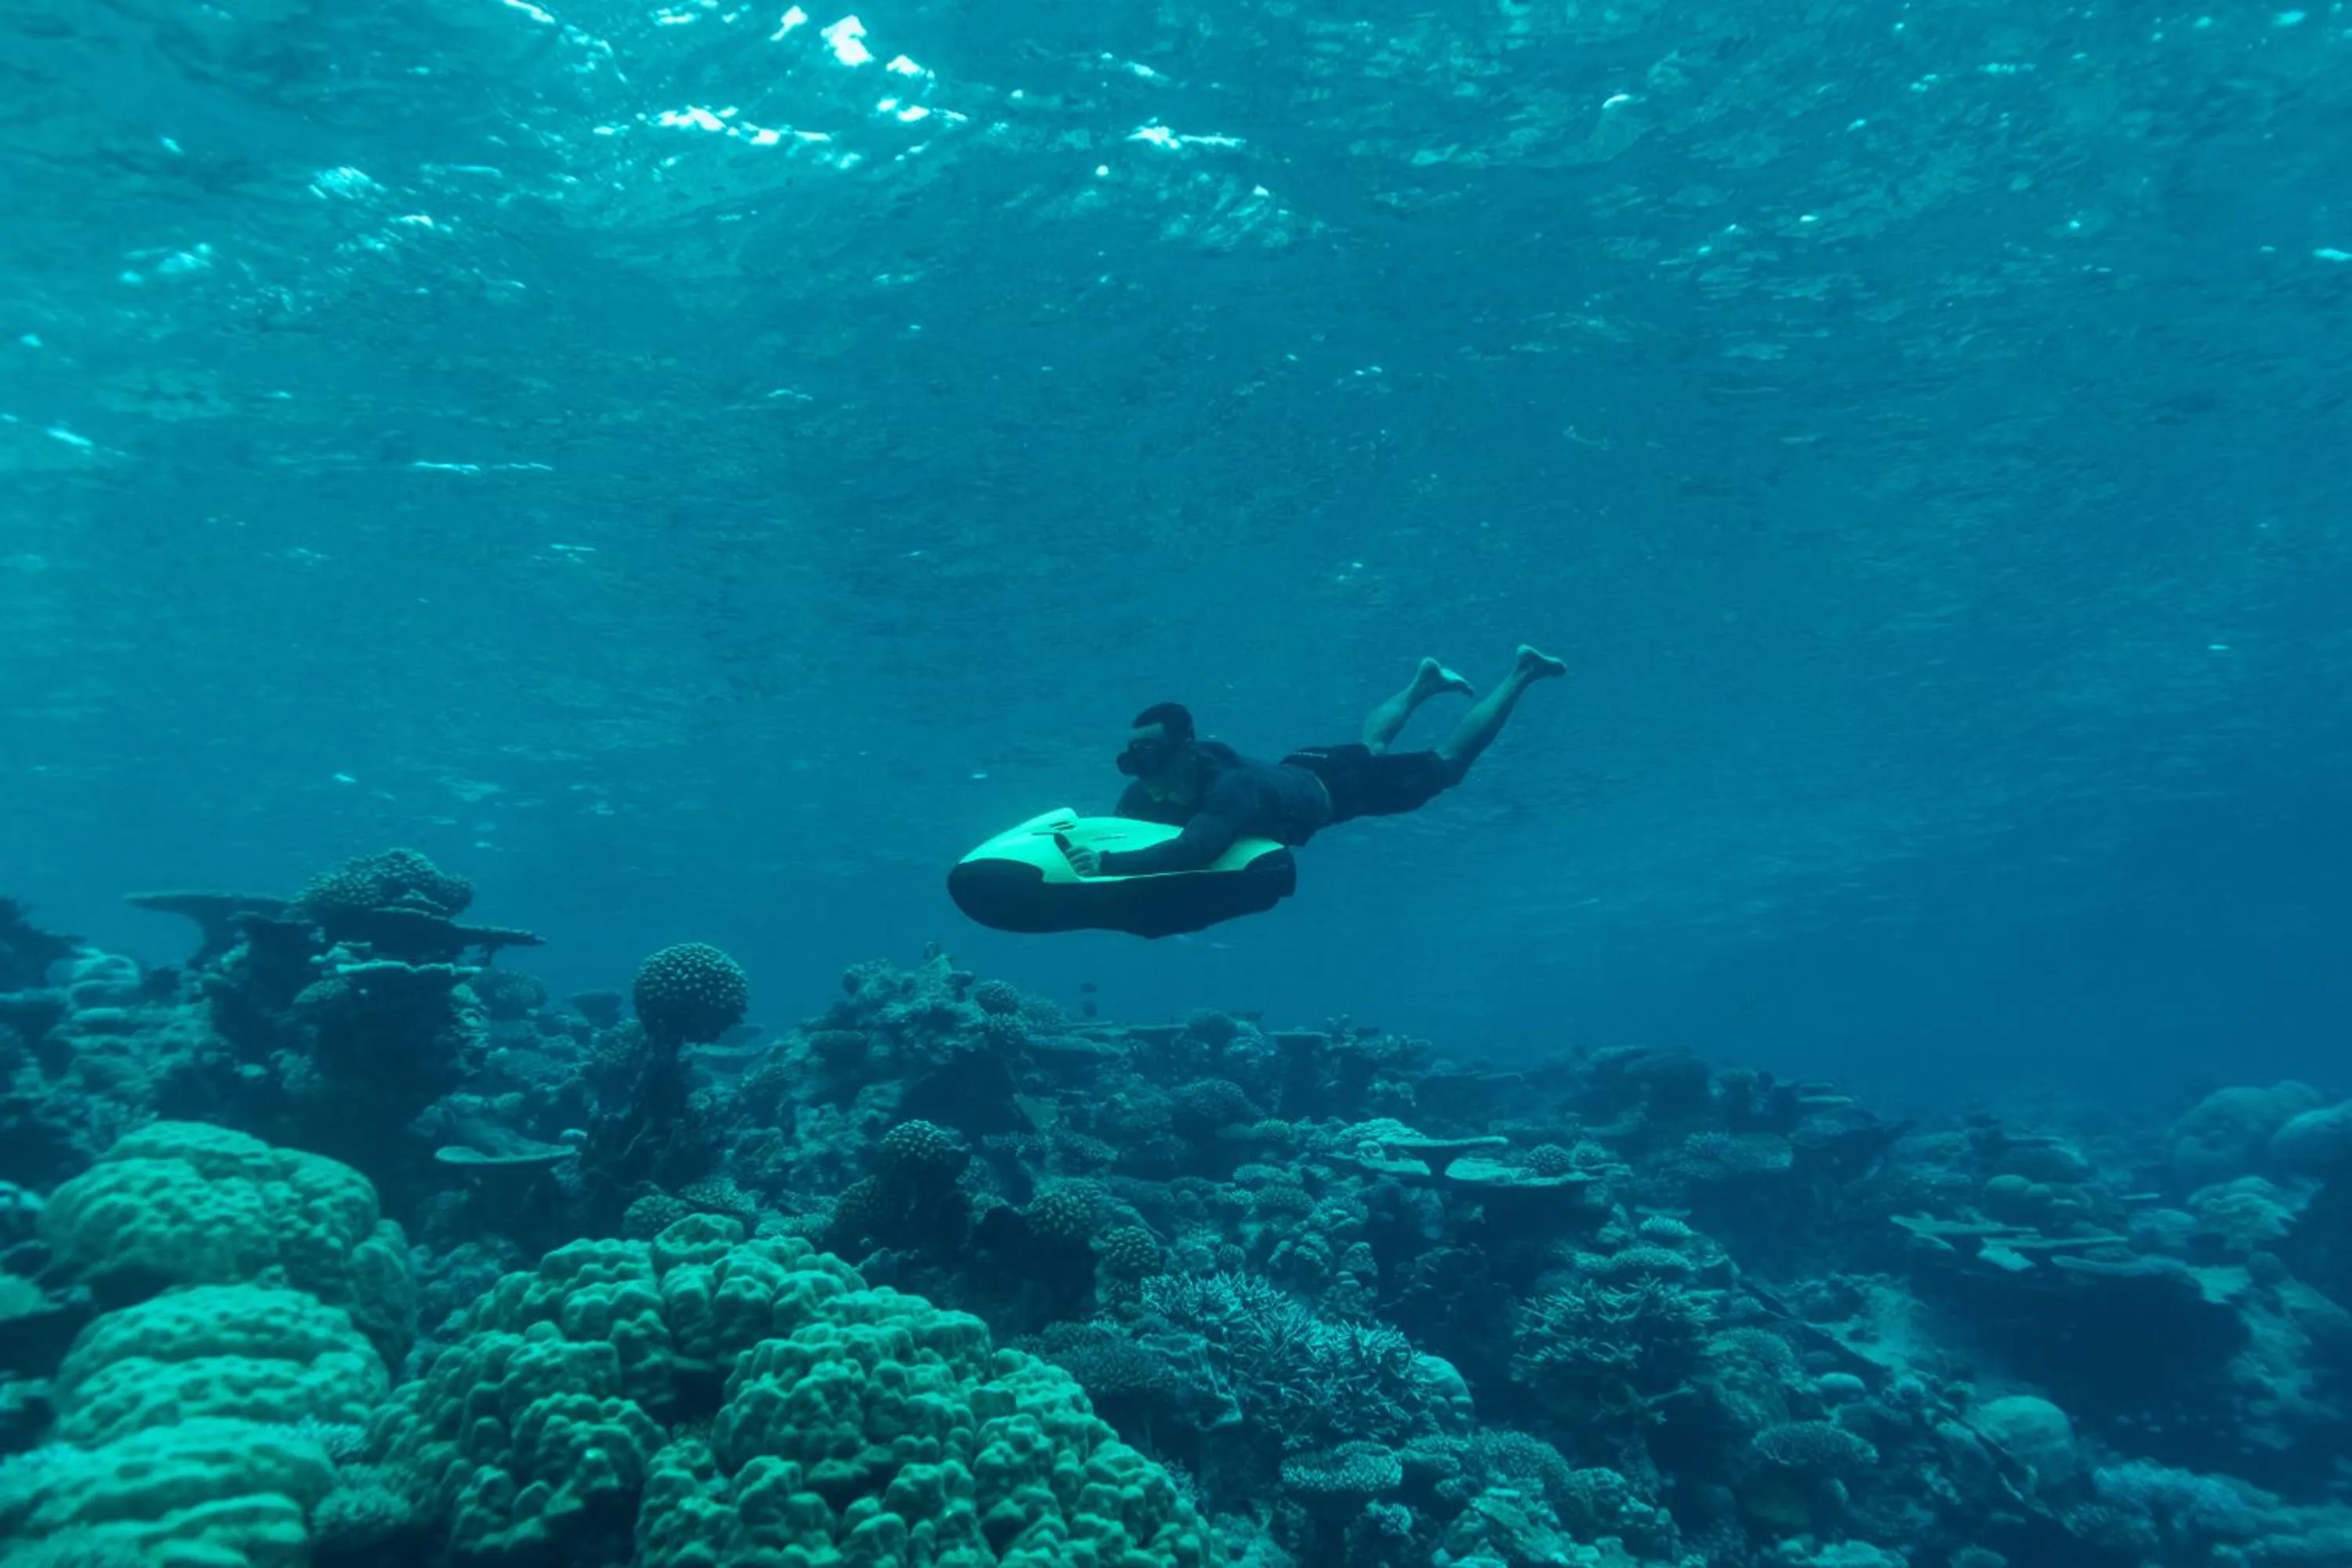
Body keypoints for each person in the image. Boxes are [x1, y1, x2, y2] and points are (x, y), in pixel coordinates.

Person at [1065, 645, 1568, 877]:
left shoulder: (1228, 790)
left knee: (1448, 765)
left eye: (1151, 758)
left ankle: (1523, 671)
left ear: (1186, 749)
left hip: (1342, 788)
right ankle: (1424, 683)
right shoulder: (1145, 788)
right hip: (1303, 769)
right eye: (1134, 761)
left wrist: (1108, 865)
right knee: (1369, 747)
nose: (1142, 774)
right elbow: (1121, 822)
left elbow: (1197, 849)